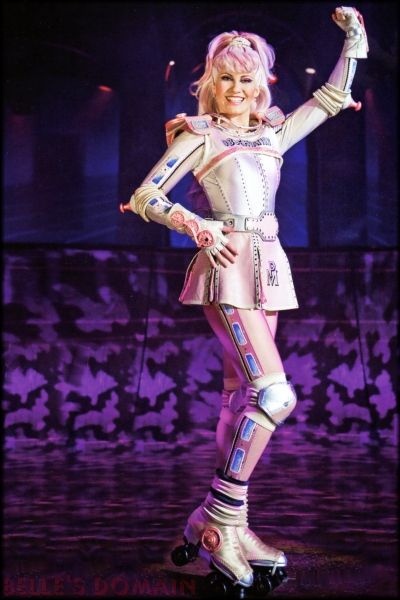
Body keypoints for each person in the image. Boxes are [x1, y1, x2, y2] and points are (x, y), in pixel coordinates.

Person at [121, 6, 368, 590]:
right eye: (226, 77)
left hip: (270, 266)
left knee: (242, 398)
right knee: (275, 394)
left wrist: (355, 43)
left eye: (247, 78)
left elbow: (330, 99)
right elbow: (147, 195)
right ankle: (220, 517)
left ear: (261, 84)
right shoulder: (198, 134)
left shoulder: (271, 131)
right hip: (228, 266)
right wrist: (196, 226)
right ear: (211, 82)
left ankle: (231, 524)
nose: (237, 87)